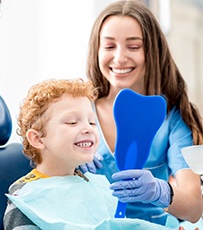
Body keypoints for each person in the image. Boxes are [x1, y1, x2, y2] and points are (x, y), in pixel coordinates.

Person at [81, 0, 203, 227]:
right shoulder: (77, 109)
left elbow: (195, 207)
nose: (119, 57)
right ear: (96, 50)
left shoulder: (172, 119)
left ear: (152, 51)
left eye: (134, 47)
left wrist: (160, 191)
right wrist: (66, 166)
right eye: (109, 46)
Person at [3, 78, 175, 230]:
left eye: (92, 122)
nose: (88, 129)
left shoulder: (95, 186)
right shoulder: (27, 197)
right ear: (38, 139)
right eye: (72, 122)